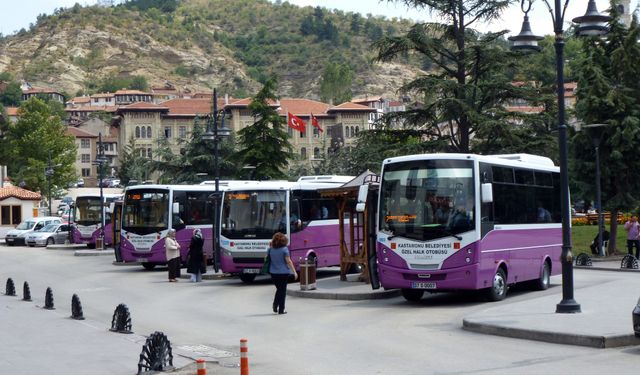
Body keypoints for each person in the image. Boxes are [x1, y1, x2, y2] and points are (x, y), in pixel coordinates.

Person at [267, 232, 297, 315]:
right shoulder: (284, 249)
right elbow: (288, 261)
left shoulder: (270, 249)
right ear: (284, 240)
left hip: (273, 273)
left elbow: (267, 259)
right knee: (282, 291)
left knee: (279, 289)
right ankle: (281, 309)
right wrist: (294, 272)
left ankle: (275, 305)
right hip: (283, 273)